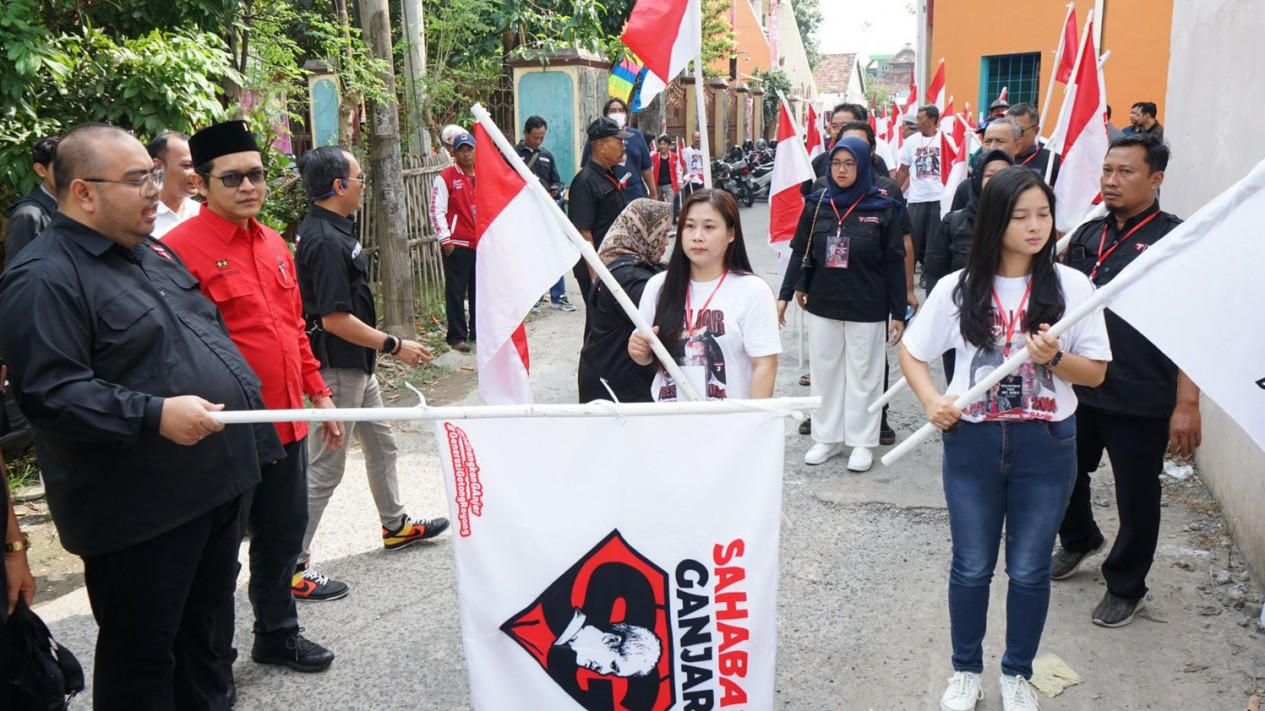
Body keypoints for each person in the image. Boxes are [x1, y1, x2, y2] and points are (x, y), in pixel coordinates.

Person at [0, 122, 284, 710]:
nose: (156, 191)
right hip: (143, 512)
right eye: (138, 181)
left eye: (155, 176)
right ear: (84, 192)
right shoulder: (44, 277)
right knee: (145, 661)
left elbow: (200, 338)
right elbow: (51, 393)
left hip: (213, 486)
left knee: (207, 642)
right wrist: (153, 414)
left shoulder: (150, 251)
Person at [899, 166, 1111, 711]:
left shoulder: (1073, 287)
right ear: (996, 220)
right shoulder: (958, 287)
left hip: (1047, 443)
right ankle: (965, 671)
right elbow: (913, 353)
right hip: (972, 443)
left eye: (1043, 215)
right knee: (972, 565)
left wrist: (1055, 359)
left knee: (1030, 568)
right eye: (1021, 216)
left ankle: (1017, 672)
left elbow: (1095, 373)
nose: (1035, 226)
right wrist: (932, 400)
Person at [164, 120, 342, 679]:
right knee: (218, 556)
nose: (248, 186)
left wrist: (319, 393)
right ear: (201, 183)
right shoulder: (176, 253)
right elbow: (173, 351)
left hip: (285, 419)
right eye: (232, 177)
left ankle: (278, 635)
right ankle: (212, 664)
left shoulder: (273, 244)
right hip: (228, 429)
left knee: (282, 537)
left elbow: (293, 329)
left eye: (256, 175)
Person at [1052, 134, 1199, 627]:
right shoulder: (1086, 235)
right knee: (1062, 475)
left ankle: (1126, 585)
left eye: (1125, 172)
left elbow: (1193, 326)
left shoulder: (1174, 241)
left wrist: (1187, 402)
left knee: (1136, 496)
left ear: (1156, 179)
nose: (1111, 181)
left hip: (1140, 392)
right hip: (1079, 384)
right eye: (1107, 170)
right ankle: (1080, 539)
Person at [293, 145, 450, 602]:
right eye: (360, 178)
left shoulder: (336, 231)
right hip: (337, 367)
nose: (364, 186)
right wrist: (395, 345)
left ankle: (395, 525)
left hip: (358, 364)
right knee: (326, 468)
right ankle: (292, 565)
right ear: (339, 185)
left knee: (382, 445)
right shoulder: (325, 241)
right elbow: (334, 319)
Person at [777, 137, 907, 472]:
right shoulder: (818, 203)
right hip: (823, 302)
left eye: (850, 164)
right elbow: (800, 251)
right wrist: (785, 294)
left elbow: (895, 261)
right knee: (825, 372)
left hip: (867, 304)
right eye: (836, 163)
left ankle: (862, 442)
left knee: (865, 374)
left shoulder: (883, 207)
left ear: (863, 166)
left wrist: (898, 312)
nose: (842, 170)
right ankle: (827, 437)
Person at [628, 189, 780, 401]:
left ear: (731, 233)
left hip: (728, 418)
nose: (697, 236)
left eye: (709, 227)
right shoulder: (658, 286)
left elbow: (765, 365)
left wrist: (753, 418)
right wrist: (638, 350)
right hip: (670, 415)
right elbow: (645, 357)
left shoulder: (753, 291)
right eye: (690, 226)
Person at [927, 150, 1015, 382]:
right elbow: (935, 272)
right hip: (961, 319)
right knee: (960, 385)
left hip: (1010, 323)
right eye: (989, 175)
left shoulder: (1024, 224)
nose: (996, 181)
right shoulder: (955, 222)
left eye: (1004, 175)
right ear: (977, 180)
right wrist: (943, 315)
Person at [577, 199, 672, 403]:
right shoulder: (629, 279)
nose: (666, 242)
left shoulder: (617, 264)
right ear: (644, 233)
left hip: (608, 380)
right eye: (662, 234)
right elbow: (669, 314)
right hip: (624, 392)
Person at [514, 115, 575, 313]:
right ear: (525, 133)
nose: (538, 141)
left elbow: (556, 180)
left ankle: (558, 296)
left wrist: (555, 189)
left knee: (554, 251)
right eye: (535, 137)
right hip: (524, 214)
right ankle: (535, 297)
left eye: (542, 137)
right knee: (533, 255)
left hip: (547, 212)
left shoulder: (547, 155)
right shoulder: (512, 154)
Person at [569, 117, 632, 305]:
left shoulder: (609, 174)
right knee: (598, 319)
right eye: (619, 142)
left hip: (613, 263)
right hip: (596, 267)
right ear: (601, 146)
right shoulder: (585, 182)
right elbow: (583, 232)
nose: (623, 146)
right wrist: (596, 276)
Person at [431, 131, 478, 351]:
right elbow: (436, 209)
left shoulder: (483, 175)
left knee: (480, 291)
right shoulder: (446, 177)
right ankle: (457, 336)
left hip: (481, 243)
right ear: (455, 153)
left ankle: (478, 332)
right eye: (462, 150)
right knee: (456, 293)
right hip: (458, 244)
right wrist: (446, 240)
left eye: (470, 149)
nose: (466, 154)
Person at [894, 105, 944, 267]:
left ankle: (928, 272)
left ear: (932, 120)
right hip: (916, 198)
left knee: (935, 240)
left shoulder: (945, 140)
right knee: (912, 238)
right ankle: (908, 271)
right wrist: (893, 190)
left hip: (938, 197)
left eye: (920, 118)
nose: (916, 122)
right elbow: (903, 170)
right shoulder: (911, 141)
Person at [580, 97, 656, 201]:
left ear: (626, 115)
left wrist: (653, 193)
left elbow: (646, 167)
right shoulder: (596, 139)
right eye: (613, 111)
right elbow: (586, 168)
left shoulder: (636, 135)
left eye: (621, 110)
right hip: (608, 195)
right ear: (606, 115)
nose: (617, 113)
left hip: (636, 195)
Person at [554, 608, 661, 678]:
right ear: (611, 640)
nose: (603, 672)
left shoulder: (563, 638)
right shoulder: (560, 621)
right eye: (613, 665)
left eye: (613, 672)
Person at [3, 136, 59, 267]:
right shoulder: (28, 216)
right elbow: (17, 272)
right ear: (41, 170)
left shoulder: (78, 208)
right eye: (61, 167)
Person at [950, 118, 1021, 212]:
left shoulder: (1025, 186)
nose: (992, 147)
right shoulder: (965, 188)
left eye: (1000, 141)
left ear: (1017, 146)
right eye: (987, 141)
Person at [147, 131, 201, 237]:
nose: (196, 173)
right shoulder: (139, 217)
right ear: (157, 166)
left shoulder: (201, 213)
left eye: (197, 166)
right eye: (187, 166)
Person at [1006, 103, 1060, 183]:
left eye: (1019, 130)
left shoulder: (1052, 161)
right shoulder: (995, 157)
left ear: (1035, 131)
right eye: (1007, 130)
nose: (1012, 135)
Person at [652, 134, 682, 217]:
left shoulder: (675, 157)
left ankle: (669, 223)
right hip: (657, 185)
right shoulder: (654, 157)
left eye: (664, 144)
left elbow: (678, 171)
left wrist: (679, 183)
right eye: (660, 144)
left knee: (670, 206)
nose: (662, 146)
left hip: (670, 185)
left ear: (668, 145)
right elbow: (650, 171)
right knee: (658, 207)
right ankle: (660, 223)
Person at [680, 131, 706, 199]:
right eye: (695, 137)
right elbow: (684, 163)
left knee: (700, 198)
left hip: (701, 179)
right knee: (690, 198)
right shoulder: (686, 150)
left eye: (698, 137)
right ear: (692, 138)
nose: (697, 139)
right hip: (690, 179)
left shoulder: (704, 150)